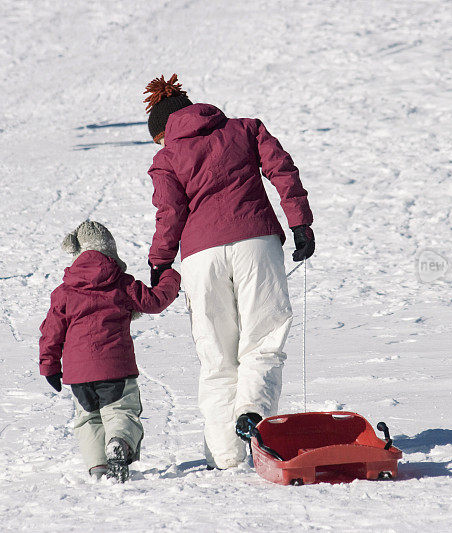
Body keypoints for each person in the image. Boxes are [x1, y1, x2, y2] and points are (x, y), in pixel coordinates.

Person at [143, 74, 315, 469]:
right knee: (263, 341)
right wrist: (299, 222)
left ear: (164, 128)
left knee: (216, 356)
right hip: (257, 243)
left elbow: (170, 214)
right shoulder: (244, 129)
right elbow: (281, 169)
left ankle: (225, 457)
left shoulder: (167, 158)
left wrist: (159, 262)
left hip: (201, 258)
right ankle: (252, 411)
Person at [39, 220, 181, 481]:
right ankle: (119, 443)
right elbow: (155, 301)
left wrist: (49, 366)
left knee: (88, 419)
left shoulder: (64, 292)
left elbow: (51, 332)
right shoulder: (121, 284)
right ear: (110, 252)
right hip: (116, 369)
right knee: (121, 411)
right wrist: (170, 276)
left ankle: (98, 467)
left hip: (78, 375)